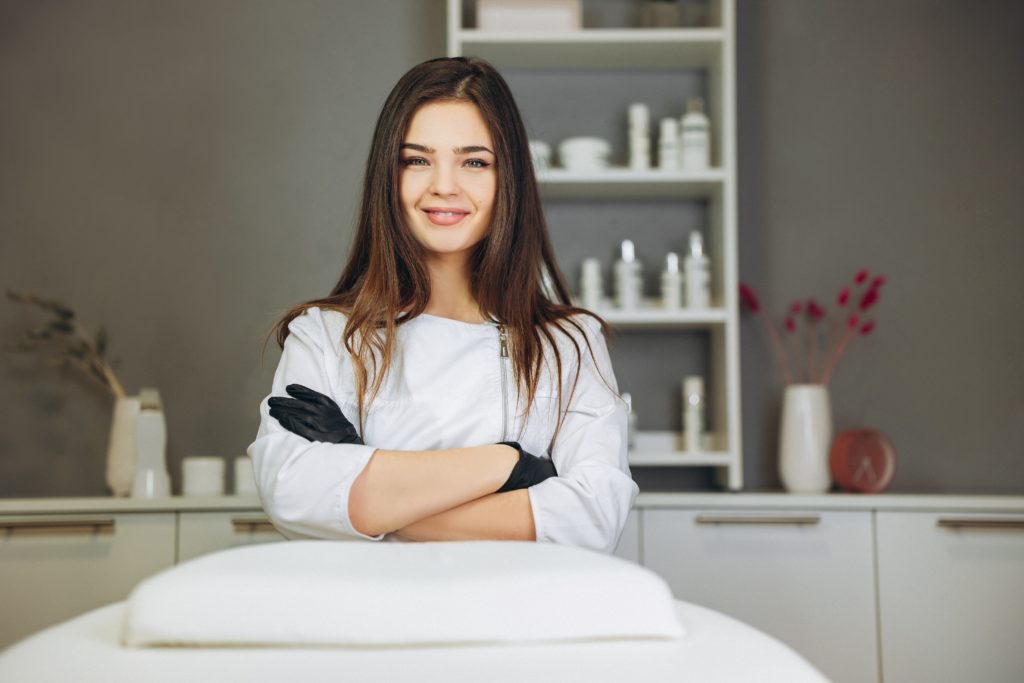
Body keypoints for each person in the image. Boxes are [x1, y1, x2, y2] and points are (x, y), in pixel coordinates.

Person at [247, 56, 638, 554]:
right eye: (417, 159)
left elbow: (593, 517)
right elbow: (291, 491)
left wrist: (363, 474)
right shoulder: (326, 335)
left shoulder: (569, 343)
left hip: (521, 618)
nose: (444, 186)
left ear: (507, 180)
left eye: (474, 161)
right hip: (378, 618)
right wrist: (509, 466)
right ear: (388, 177)